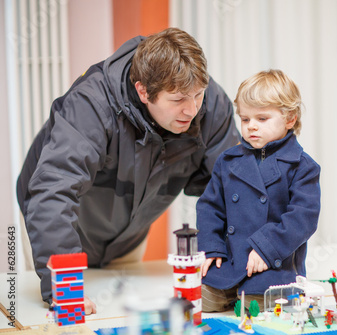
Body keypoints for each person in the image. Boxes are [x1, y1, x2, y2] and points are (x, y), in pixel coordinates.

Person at [16, 28, 240, 313]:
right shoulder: (91, 105)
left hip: (128, 237)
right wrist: (66, 288)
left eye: (198, 95)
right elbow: (53, 193)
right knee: (59, 317)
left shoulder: (212, 105)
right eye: (178, 100)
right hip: (57, 228)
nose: (192, 109)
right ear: (143, 91)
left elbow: (231, 190)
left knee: (120, 312)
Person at [196, 69, 321, 312]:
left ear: (290, 119)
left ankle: (246, 295)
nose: (251, 126)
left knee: (253, 310)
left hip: (274, 263)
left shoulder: (303, 166)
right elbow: (209, 207)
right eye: (245, 119)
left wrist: (266, 249)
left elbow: (303, 219)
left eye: (262, 119)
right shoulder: (227, 161)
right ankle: (228, 291)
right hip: (230, 261)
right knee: (194, 300)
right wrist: (211, 247)